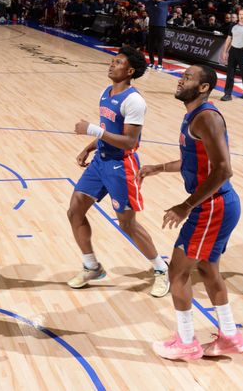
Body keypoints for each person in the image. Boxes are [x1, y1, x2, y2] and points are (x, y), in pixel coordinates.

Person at [140, 65, 243, 360]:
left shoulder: (207, 118)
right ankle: (229, 336)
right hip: (220, 204)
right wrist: (158, 168)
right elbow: (194, 161)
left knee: (177, 271)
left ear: (203, 88)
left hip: (211, 206)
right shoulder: (196, 117)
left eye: (187, 78)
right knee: (208, 268)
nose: (180, 80)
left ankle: (186, 342)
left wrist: (186, 206)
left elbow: (224, 170)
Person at [67, 45, 170, 297]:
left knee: (127, 224)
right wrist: (90, 147)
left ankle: (160, 269)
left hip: (120, 167)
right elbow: (108, 128)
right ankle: (92, 266)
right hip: (100, 162)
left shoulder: (134, 101)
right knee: (75, 210)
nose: (112, 65)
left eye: (118, 62)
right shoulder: (106, 91)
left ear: (130, 70)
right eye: (112, 61)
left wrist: (93, 131)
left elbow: (129, 142)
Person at [124, 0, 199, 70]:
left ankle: (160, 64)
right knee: (150, 46)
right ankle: (151, 63)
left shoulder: (166, 3)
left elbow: (179, 0)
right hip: (152, 26)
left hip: (161, 27)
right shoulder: (149, 2)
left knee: (160, 46)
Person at [220, 7, 243, 101]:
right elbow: (229, 39)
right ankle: (227, 94)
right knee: (230, 74)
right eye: (240, 14)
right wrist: (225, 51)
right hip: (233, 51)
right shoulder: (233, 25)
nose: (241, 16)